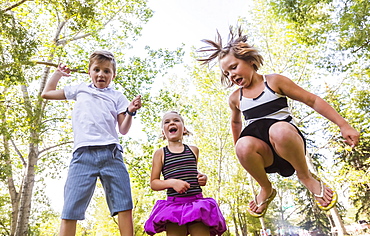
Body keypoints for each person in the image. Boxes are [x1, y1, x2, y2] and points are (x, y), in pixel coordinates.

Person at [198, 27, 360, 217]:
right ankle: (265, 187)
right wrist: (240, 151)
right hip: (263, 153)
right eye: (226, 74)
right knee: (242, 145)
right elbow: (235, 124)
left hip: (287, 143)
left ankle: (305, 175)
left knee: (279, 130)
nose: (231, 75)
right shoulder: (235, 98)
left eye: (233, 67)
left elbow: (312, 100)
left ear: (250, 61)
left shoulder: (274, 82)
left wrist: (343, 124)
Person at [41, 50, 141, 236]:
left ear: (113, 75)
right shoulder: (80, 89)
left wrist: (130, 112)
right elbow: (47, 93)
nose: (101, 74)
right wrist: (58, 74)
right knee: (70, 208)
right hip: (82, 155)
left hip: (111, 154)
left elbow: (124, 129)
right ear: (90, 72)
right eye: (97, 70)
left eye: (106, 71)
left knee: (124, 204)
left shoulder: (117, 96)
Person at [144, 111, 227, 236]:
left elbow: (191, 170)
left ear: (184, 129)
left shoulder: (193, 150)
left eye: (176, 120)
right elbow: (154, 183)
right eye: (167, 122)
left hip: (197, 205)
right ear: (163, 132)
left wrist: (202, 176)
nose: (172, 122)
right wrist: (172, 183)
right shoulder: (160, 153)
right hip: (174, 207)